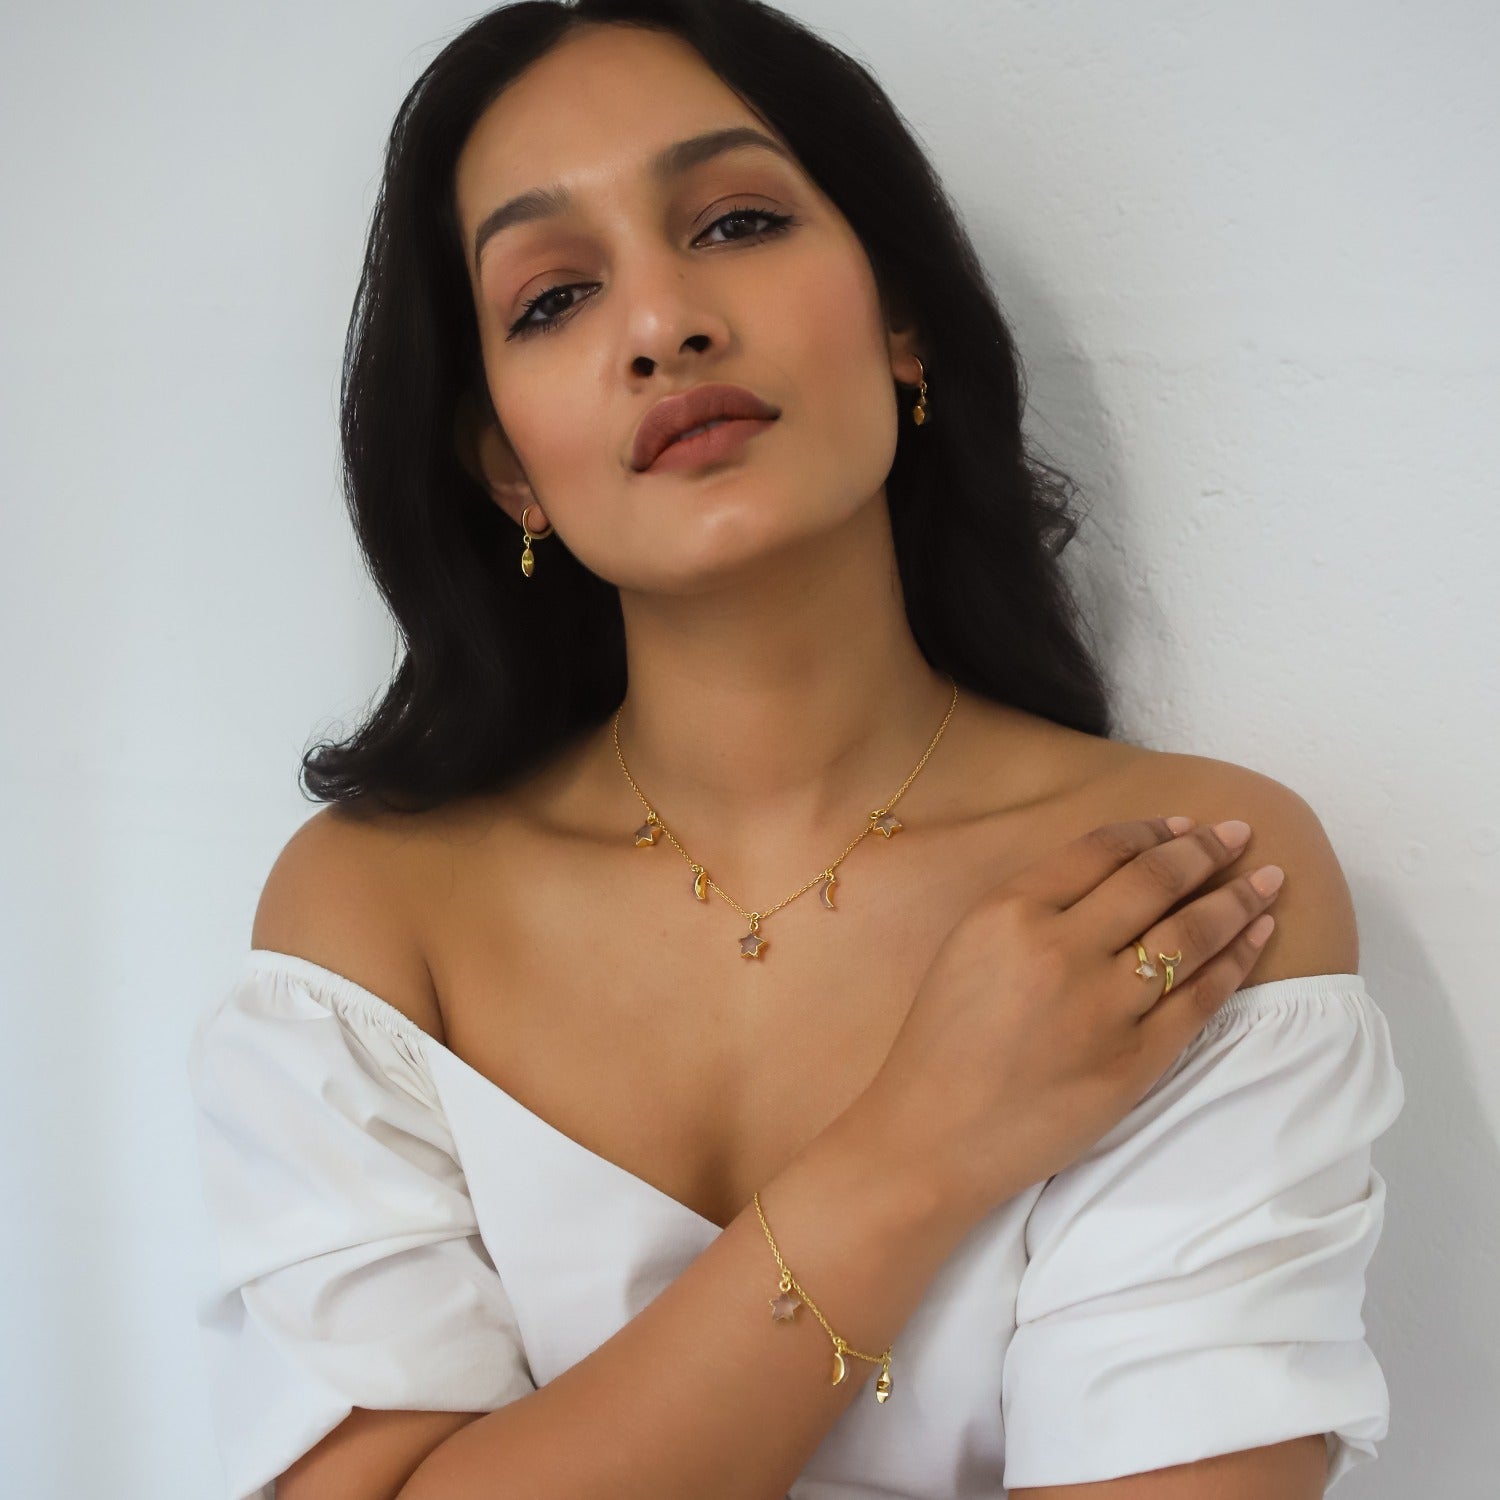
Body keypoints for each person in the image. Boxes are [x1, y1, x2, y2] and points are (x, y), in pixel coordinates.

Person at [185, 3, 1405, 1497]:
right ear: (507, 467)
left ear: (903, 320)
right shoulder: (373, 922)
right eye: (554, 298)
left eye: (738, 222)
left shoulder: (1180, 887)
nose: (662, 325)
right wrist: (921, 1142)